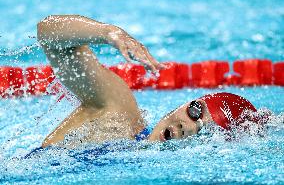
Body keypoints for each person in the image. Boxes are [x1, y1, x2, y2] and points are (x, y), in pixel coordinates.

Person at [38, 15, 264, 149]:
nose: (190, 126)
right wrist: (108, 32)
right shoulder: (119, 114)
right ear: (184, 104)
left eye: (205, 131)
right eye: (195, 112)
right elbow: (48, 33)